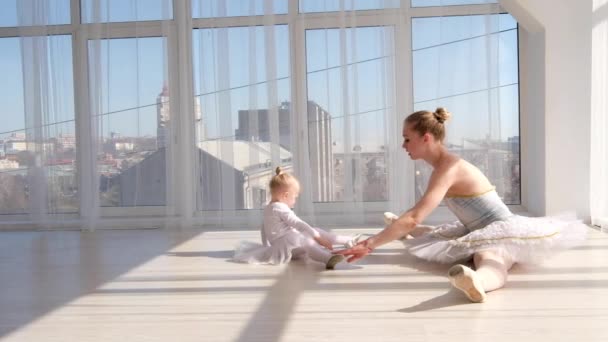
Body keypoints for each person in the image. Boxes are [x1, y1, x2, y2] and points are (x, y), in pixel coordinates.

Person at [335, 107, 587, 302]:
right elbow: (416, 215)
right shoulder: (442, 167)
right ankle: (401, 230)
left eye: (406, 139)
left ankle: (477, 282)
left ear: (425, 138)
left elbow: (415, 216)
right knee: (439, 233)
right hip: (474, 226)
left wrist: (369, 245)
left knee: (489, 256)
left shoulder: (449, 169)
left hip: (501, 228)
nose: (403, 146)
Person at [233, 167, 361, 269]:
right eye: (295, 197)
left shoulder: (268, 207)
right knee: (307, 240)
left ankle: (347, 240)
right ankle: (327, 258)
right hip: (288, 247)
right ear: (286, 195)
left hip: (285, 245)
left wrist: (266, 246)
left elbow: (263, 228)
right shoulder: (280, 208)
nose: (295, 200)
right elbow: (298, 223)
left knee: (310, 233)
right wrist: (318, 238)